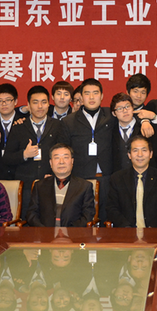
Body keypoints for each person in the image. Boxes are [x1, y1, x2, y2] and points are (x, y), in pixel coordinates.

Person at [4, 86, 66, 214]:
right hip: (26, 186)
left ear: (48, 104)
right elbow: (7, 158)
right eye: (35, 102)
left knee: (49, 219)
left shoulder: (58, 126)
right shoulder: (18, 127)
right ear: (28, 105)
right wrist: (24, 154)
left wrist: (54, 174)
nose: (40, 106)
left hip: (51, 184)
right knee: (26, 219)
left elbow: (65, 154)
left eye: (43, 102)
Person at [61, 78, 116, 221]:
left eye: (95, 93)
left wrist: (146, 120)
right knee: (82, 220)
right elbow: (64, 150)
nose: (91, 97)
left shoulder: (111, 116)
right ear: (81, 97)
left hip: (106, 177)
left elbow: (129, 116)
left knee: (106, 218)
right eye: (87, 93)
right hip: (80, 178)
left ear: (102, 96)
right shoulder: (69, 121)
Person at [107, 136, 157, 228]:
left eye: (144, 150)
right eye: (135, 150)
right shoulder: (117, 178)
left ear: (151, 154)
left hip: (155, 231)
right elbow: (111, 208)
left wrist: (152, 228)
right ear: (129, 155)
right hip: (125, 231)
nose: (140, 154)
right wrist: (126, 227)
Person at [26, 143, 95, 227]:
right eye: (57, 158)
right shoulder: (39, 186)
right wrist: (44, 230)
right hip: (45, 233)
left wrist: (69, 231)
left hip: (73, 233)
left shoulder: (84, 186)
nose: (61, 162)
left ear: (72, 161)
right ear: (51, 163)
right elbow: (31, 214)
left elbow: (88, 215)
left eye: (65, 157)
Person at [110, 93, 157, 173]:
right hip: (120, 177)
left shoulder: (146, 127)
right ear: (114, 113)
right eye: (120, 108)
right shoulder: (111, 130)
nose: (125, 111)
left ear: (133, 108)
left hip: (147, 175)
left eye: (127, 106)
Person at [0, 83, 27, 180]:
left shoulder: (24, 123)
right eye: (0, 101)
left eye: (8, 100)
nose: (4, 104)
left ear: (15, 101)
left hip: (19, 174)